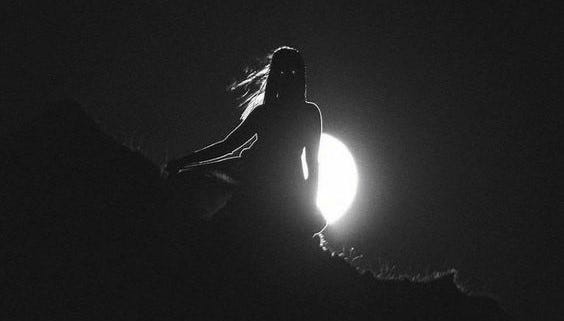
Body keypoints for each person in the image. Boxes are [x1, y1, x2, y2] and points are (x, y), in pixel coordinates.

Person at [166, 46, 324, 237]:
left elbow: (312, 163)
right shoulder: (264, 112)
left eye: (292, 71)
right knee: (186, 182)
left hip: (280, 181)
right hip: (251, 171)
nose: (287, 77)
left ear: (300, 76)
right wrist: (183, 162)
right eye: (282, 71)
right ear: (275, 75)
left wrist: (309, 204)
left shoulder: (309, 113)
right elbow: (228, 145)